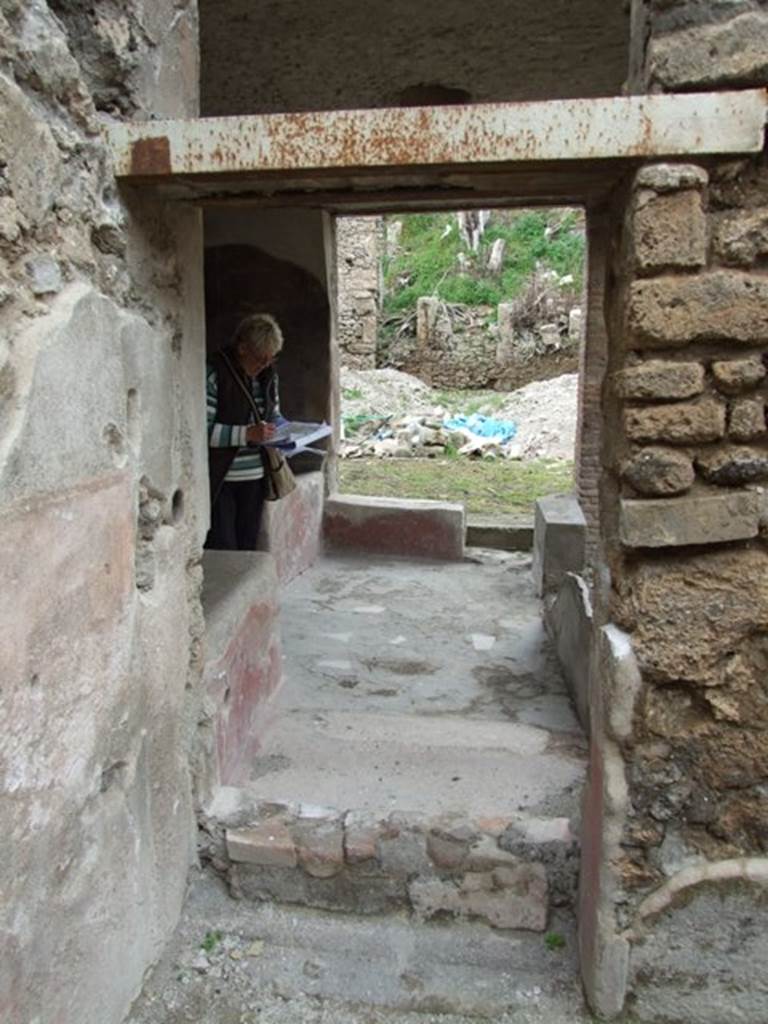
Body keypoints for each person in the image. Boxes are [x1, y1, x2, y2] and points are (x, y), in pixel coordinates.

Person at [205, 313, 284, 550]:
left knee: (248, 546)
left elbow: (274, 415)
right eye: (260, 359)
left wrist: (287, 430)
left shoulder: (268, 375)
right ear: (242, 349)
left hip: (256, 478)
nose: (264, 365)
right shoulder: (214, 374)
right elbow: (202, 433)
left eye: (270, 359)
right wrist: (247, 435)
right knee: (225, 548)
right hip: (223, 480)